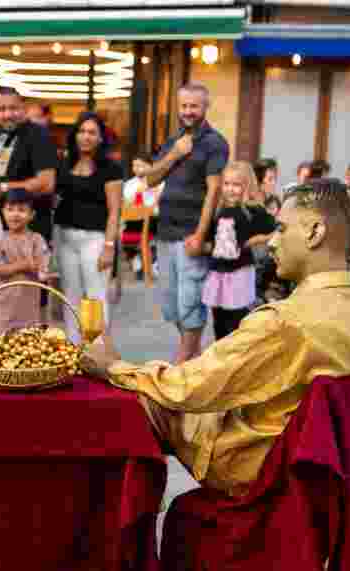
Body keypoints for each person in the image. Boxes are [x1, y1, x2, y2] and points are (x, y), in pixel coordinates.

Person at [82, 178, 350, 496]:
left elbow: (189, 387)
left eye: (282, 229)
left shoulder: (286, 322)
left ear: (314, 232)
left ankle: (118, 520)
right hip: (321, 468)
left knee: (139, 399)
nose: (271, 242)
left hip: (257, 463)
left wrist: (113, 367)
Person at [137, 82, 229, 364]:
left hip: (191, 233)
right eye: (184, 106)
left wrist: (201, 235)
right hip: (165, 232)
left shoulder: (215, 143)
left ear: (205, 107)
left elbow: (214, 192)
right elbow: (150, 179)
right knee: (171, 306)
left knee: (190, 302)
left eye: (194, 106)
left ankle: (182, 362)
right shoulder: (174, 140)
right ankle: (194, 356)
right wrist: (175, 153)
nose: (188, 111)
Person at [53, 112, 123, 343]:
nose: (86, 136)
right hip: (64, 236)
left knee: (96, 297)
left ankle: (98, 350)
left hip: (95, 238)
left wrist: (109, 246)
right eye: (82, 131)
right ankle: (73, 349)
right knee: (70, 297)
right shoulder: (63, 163)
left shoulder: (111, 168)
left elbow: (115, 211)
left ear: (101, 138)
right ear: (75, 135)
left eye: (92, 132)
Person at [202, 162, 275, 340]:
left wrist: (253, 241)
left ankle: (235, 358)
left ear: (246, 186)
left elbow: (275, 228)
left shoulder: (252, 210)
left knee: (236, 322)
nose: (230, 189)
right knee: (219, 321)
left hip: (239, 273)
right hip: (218, 273)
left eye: (236, 185)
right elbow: (213, 240)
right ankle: (221, 356)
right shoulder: (220, 210)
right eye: (227, 184)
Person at [0, 88, 59, 244]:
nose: (7, 114)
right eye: (1, 109)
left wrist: (3, 188)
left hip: (31, 230)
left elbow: (47, 184)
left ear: (23, 108)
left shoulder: (38, 136)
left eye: (13, 108)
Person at [0, 189, 51, 335]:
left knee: (27, 346)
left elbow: (43, 268)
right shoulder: (0, 241)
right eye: (10, 209)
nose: (15, 214)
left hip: (29, 309)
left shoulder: (37, 239)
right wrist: (22, 265)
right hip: (4, 308)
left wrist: (40, 269)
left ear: (31, 215)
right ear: (3, 212)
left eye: (22, 210)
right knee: (1, 347)